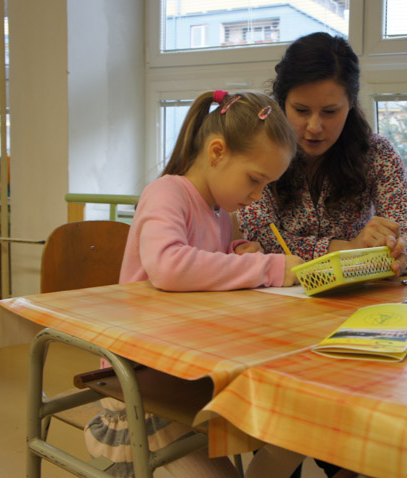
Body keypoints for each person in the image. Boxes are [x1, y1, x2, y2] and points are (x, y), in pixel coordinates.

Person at [84, 90, 304, 477]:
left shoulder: (219, 212)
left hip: (191, 364)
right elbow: (169, 267)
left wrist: (236, 252)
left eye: (266, 185)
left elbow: (201, 269)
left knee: (292, 434)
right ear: (217, 152)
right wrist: (265, 267)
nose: (257, 196)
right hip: (142, 378)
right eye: (255, 180)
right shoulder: (167, 193)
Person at [236, 32, 407, 277]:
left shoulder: (377, 154)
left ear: (350, 104)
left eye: (330, 112)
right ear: (282, 103)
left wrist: (397, 250)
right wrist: (349, 249)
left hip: (358, 290)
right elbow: (261, 239)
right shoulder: (258, 150)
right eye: (301, 110)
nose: (314, 127)